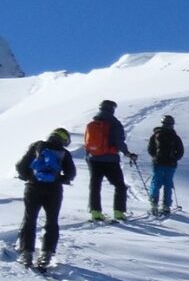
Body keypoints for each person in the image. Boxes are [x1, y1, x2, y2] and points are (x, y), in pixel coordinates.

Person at [15, 128, 76, 270]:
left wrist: (28, 176)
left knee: (30, 219)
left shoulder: (37, 146)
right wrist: (60, 179)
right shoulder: (64, 153)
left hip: (33, 187)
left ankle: (27, 253)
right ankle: (46, 254)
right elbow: (71, 173)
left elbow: (21, 166)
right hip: (54, 190)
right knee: (52, 221)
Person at [84, 99, 136, 221]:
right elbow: (119, 142)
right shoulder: (114, 123)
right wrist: (127, 153)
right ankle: (119, 213)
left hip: (94, 159)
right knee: (120, 186)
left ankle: (95, 213)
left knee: (95, 186)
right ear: (112, 109)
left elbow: (87, 143)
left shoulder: (92, 123)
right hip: (110, 160)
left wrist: (89, 157)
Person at [146, 114, 184, 217]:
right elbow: (180, 152)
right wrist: (174, 159)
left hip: (158, 163)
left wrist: (155, 157)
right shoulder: (175, 137)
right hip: (170, 164)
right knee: (168, 184)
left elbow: (150, 149)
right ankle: (166, 206)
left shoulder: (155, 135)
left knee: (156, 183)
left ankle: (154, 204)